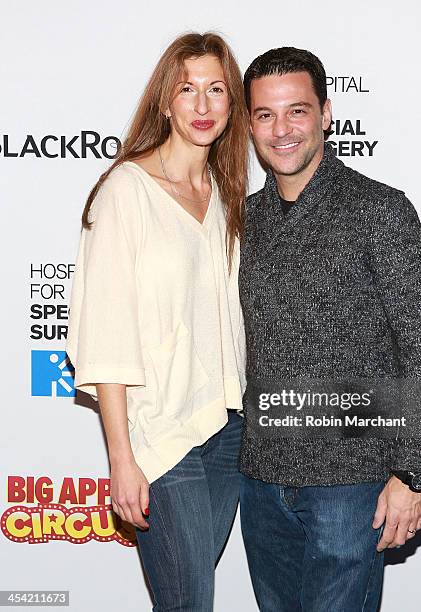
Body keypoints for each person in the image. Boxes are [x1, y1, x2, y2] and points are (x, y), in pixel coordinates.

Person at [238, 47, 421, 611]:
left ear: (327, 114)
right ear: (249, 123)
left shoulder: (380, 210)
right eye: (264, 114)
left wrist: (413, 473)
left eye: (297, 111)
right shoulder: (244, 222)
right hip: (261, 484)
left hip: (352, 489)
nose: (281, 130)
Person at [66, 32, 249, 611]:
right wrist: (122, 457)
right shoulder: (126, 191)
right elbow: (107, 330)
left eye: (216, 90)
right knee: (189, 602)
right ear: (164, 102)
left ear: (231, 104)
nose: (202, 106)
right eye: (187, 90)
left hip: (226, 428)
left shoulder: (224, 191)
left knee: (192, 597)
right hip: (160, 438)